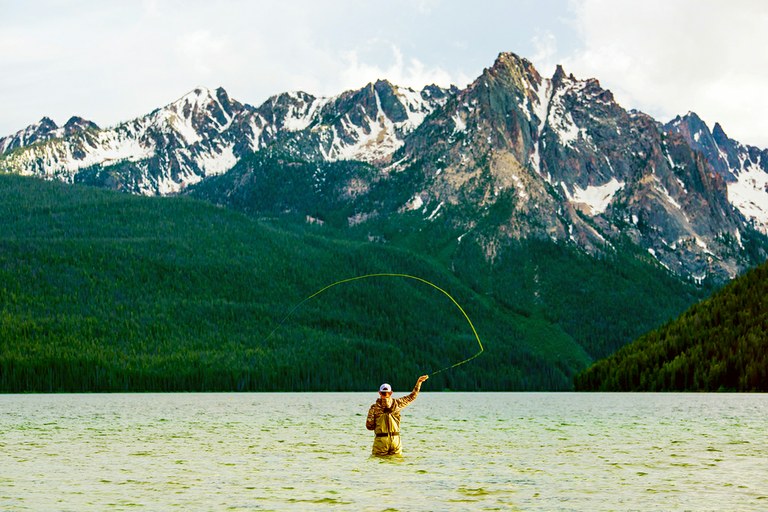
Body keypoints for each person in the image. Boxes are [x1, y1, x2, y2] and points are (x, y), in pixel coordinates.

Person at [365, 375, 429, 456]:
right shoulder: (398, 404)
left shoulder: (374, 408)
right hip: (395, 440)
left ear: (379, 393)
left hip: (381, 441)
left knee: (379, 465)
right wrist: (419, 382)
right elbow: (412, 396)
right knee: (397, 464)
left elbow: (369, 427)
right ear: (391, 393)